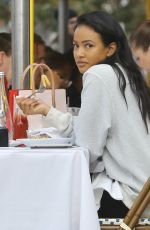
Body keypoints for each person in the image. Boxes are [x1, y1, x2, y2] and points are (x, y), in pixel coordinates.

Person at [17, 11, 150, 218]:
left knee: (47, 205)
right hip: (143, 192)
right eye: (76, 45)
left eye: (88, 45)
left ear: (110, 48)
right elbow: (90, 130)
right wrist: (47, 111)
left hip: (131, 199)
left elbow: (87, 149)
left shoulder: (98, 75)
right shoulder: (125, 73)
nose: (79, 53)